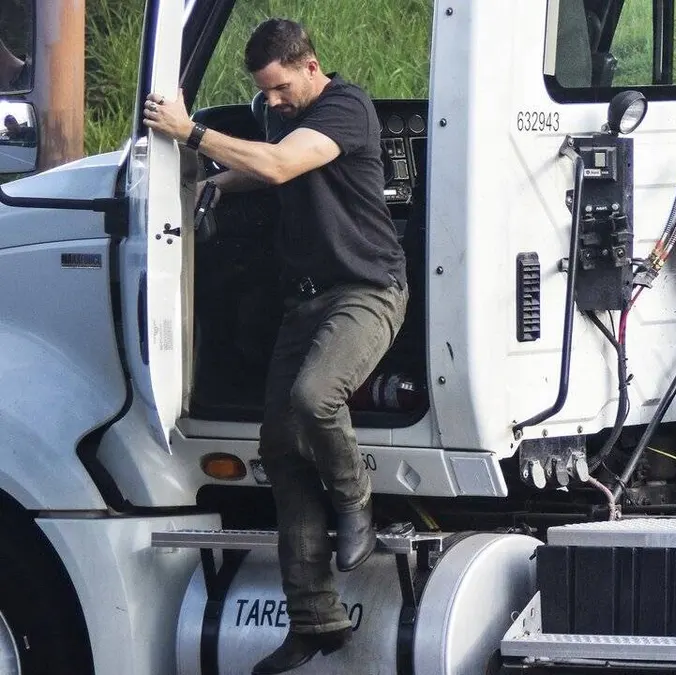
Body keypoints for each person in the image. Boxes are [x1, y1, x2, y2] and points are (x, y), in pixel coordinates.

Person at [143, 18, 407, 674]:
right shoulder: (282, 113)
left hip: (366, 289)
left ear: (311, 66)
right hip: (305, 301)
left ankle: (355, 500)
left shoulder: (347, 106)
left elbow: (283, 162)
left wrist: (191, 133)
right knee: (281, 453)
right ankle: (315, 621)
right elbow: (268, 170)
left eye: (282, 88)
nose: (274, 101)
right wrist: (212, 183)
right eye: (265, 92)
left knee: (314, 398)